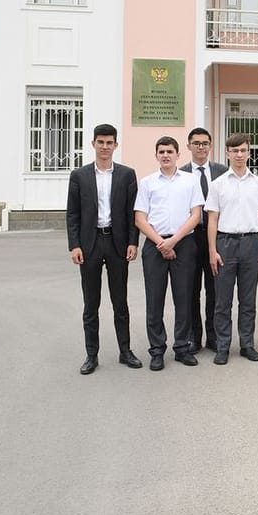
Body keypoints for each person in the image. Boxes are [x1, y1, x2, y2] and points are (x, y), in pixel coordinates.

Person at [66, 124, 141, 374]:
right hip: (90, 245)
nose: (105, 147)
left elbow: (133, 213)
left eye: (110, 143)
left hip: (117, 243)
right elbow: (73, 214)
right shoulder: (79, 175)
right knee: (91, 303)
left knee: (120, 301)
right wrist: (74, 245)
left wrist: (133, 241)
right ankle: (91, 355)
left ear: (116, 145)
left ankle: (125, 351)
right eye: (101, 142)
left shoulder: (127, 175)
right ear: (93, 144)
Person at [134, 136, 205, 371]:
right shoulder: (147, 183)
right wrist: (161, 243)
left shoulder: (190, 181)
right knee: (154, 300)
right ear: (156, 155)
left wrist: (174, 241)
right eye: (161, 151)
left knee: (184, 298)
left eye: (170, 151)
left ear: (177, 155)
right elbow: (140, 218)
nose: (165, 155)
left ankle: (182, 348)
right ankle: (156, 350)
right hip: (155, 246)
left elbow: (196, 215)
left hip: (183, 243)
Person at [205, 133, 258, 365]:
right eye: (235, 151)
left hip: (251, 244)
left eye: (243, 150)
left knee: (248, 299)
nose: (239, 155)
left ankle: (247, 344)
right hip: (225, 243)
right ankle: (223, 346)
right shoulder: (217, 185)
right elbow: (212, 219)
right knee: (223, 300)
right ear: (228, 154)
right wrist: (212, 250)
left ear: (249, 153)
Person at [180, 127, 228, 353]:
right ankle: (193, 337)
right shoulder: (180, 174)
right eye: (196, 143)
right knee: (191, 289)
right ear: (188, 146)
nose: (201, 147)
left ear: (210, 145)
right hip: (190, 237)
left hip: (216, 237)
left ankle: (214, 336)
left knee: (215, 289)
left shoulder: (223, 171)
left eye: (205, 143)